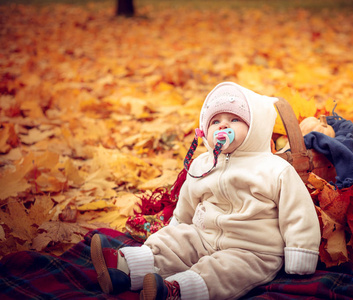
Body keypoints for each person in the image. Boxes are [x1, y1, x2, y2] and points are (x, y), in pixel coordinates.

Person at [91, 82, 321, 300]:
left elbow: (298, 212)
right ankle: (127, 269)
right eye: (215, 121)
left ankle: (179, 289)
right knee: (176, 241)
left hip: (252, 250)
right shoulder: (203, 164)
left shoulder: (274, 169)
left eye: (234, 119)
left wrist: (300, 252)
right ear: (204, 130)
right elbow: (187, 203)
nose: (223, 126)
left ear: (256, 128)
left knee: (226, 270)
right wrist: (177, 227)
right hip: (204, 237)